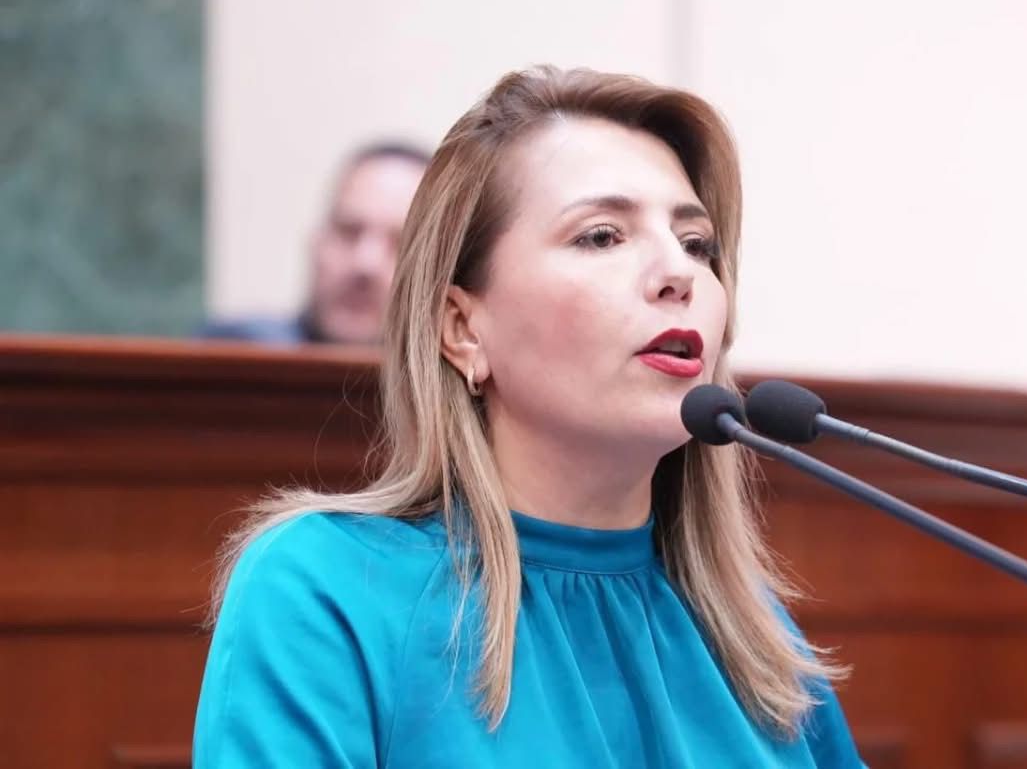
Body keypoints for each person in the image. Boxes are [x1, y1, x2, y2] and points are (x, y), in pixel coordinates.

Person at [192, 66, 865, 767]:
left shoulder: (749, 629)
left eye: (697, 244)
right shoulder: (325, 589)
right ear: (462, 327)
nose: (679, 272)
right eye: (602, 236)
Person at [200, 141, 429, 345]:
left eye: (401, 245)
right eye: (347, 232)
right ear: (316, 242)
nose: (365, 263)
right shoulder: (230, 351)